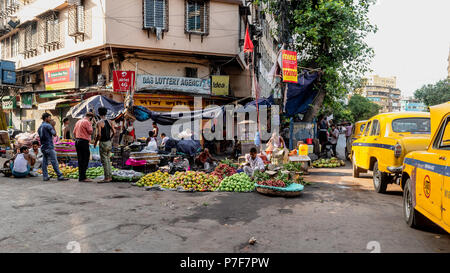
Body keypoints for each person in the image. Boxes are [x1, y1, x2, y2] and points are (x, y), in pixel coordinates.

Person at [37, 113, 68, 181]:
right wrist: (53, 126)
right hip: (49, 146)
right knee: (54, 161)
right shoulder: (48, 126)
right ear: (46, 118)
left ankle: (45, 176)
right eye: (49, 117)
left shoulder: (40, 127)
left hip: (43, 146)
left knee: (44, 162)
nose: (50, 119)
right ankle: (59, 176)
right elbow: (54, 134)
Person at [94, 107, 115, 183]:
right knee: (108, 160)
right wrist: (110, 138)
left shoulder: (99, 123)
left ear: (99, 113)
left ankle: (107, 178)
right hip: (109, 142)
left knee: (104, 161)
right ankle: (110, 176)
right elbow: (114, 132)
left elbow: (98, 134)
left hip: (103, 143)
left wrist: (96, 143)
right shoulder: (110, 122)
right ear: (106, 113)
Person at [73, 112, 94, 182]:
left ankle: (81, 176)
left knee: (80, 159)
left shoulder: (78, 121)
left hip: (77, 141)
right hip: (83, 142)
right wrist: (91, 123)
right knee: (85, 159)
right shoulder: (87, 122)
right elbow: (90, 131)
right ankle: (83, 177)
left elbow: (74, 132)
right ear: (91, 117)